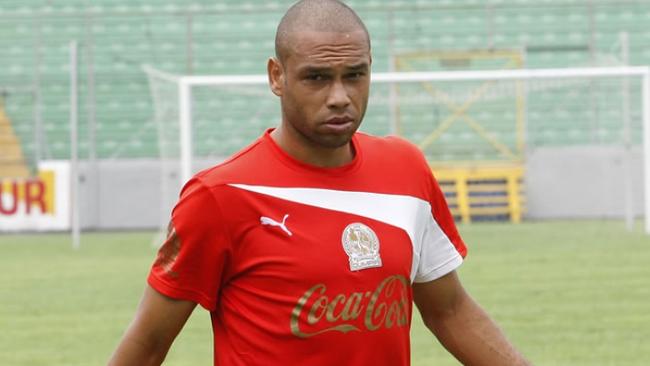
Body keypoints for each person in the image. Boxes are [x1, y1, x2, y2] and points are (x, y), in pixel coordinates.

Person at [109, 1, 531, 365]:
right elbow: (148, 343)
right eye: (317, 77)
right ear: (277, 76)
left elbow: (451, 311)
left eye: (355, 75)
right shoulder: (220, 197)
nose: (339, 96)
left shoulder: (406, 169)